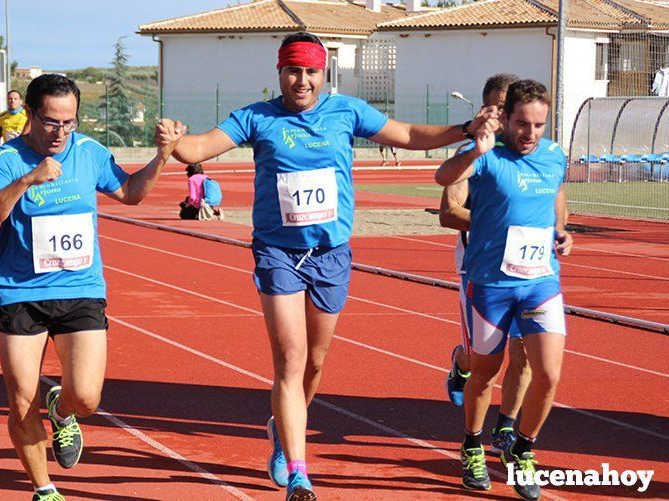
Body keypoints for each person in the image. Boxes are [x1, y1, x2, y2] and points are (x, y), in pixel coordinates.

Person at [164, 31, 494, 501]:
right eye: (293, 71)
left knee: (314, 365)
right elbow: (197, 150)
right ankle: (299, 471)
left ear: (324, 74)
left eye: (311, 71)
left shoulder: (347, 111)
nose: (302, 80)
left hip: (331, 256)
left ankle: (283, 427)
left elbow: (409, 136)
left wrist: (465, 129)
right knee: (290, 361)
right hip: (277, 254)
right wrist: (176, 140)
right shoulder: (256, 118)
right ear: (279, 72)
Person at [0, 73, 183, 501]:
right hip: (21, 293)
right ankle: (44, 489)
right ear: (30, 115)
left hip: (81, 288)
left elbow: (130, 192)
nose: (60, 133)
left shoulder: (89, 153)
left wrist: (162, 157)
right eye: (50, 122)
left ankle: (63, 411)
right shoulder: (6, 160)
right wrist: (27, 180)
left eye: (69, 123)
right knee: (20, 401)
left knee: (86, 396)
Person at [435, 79, 573, 500]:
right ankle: (473, 444)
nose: (530, 133)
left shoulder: (553, 156)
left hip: (540, 282)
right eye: (522, 123)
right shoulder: (486, 155)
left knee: (547, 374)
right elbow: (442, 178)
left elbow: (556, 197)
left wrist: (561, 231)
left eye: (539, 125)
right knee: (485, 373)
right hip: (491, 283)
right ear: (507, 117)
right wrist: (476, 148)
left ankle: (523, 448)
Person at [441, 74, 532, 457]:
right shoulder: (472, 153)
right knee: (481, 358)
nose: (501, 114)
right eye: (495, 106)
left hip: (527, 269)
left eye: (507, 108)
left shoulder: (537, 155)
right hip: (479, 269)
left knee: (524, 350)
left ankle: (506, 427)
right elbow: (449, 212)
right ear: (485, 110)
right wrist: (494, 223)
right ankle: (460, 365)